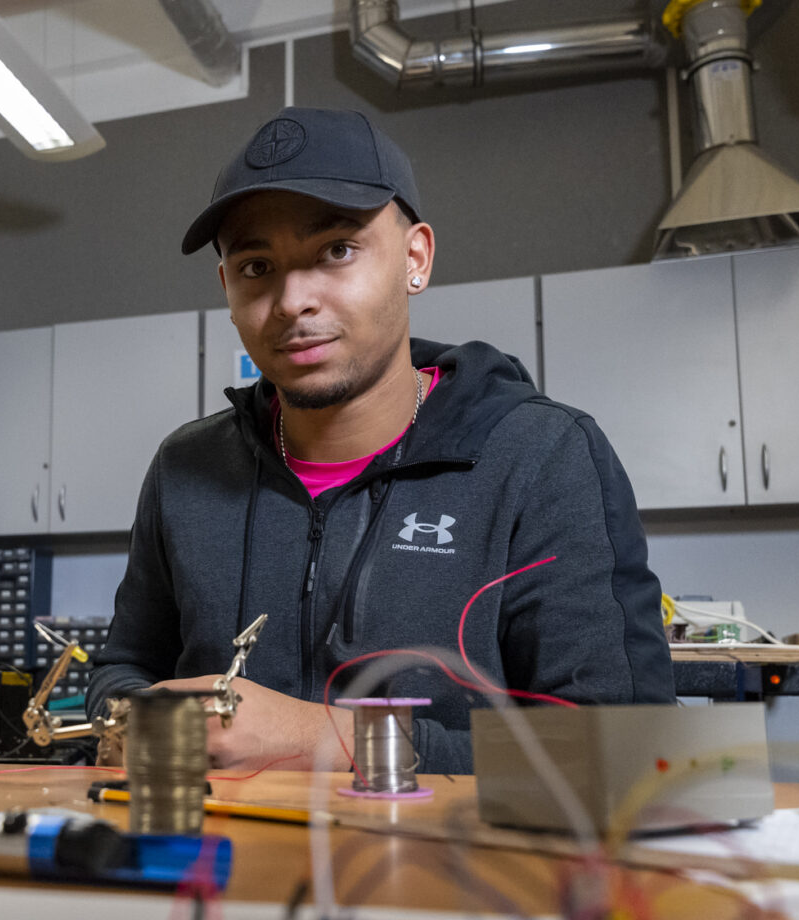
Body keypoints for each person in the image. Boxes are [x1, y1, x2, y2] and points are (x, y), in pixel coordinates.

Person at [86, 106, 673, 774]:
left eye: (336, 250)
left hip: (450, 869)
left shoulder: (542, 457)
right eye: (256, 266)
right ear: (226, 287)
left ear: (415, 258)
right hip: (211, 867)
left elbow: (628, 756)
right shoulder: (183, 469)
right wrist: (142, 725)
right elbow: (124, 669)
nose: (291, 301)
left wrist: (326, 740)